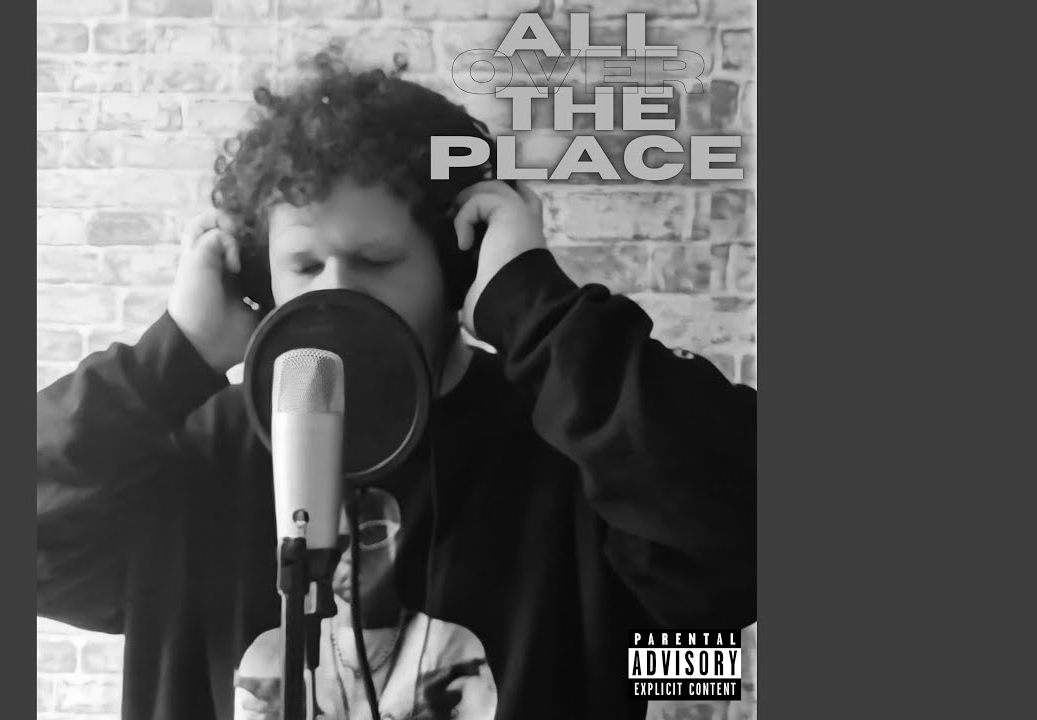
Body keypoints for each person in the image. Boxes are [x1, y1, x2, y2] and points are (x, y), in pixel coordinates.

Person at [37, 55, 756, 720]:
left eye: (377, 260)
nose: (336, 292)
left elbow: (734, 561)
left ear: (456, 268)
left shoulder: (572, 445)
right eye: (304, 265)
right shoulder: (200, 452)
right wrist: (173, 357)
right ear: (258, 280)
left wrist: (534, 311)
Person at [234, 488, 497, 720]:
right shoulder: (275, 651)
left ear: (400, 540)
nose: (351, 555)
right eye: (337, 543)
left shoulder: (450, 645)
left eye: (370, 534)